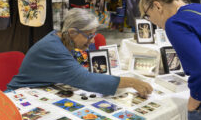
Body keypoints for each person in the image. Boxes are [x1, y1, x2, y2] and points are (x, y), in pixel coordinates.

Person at [8, 8, 153, 97]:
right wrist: (132, 82)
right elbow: (85, 79)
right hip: (19, 95)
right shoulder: (53, 48)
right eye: (89, 35)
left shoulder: (61, 39)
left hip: (39, 91)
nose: (92, 41)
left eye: (93, 35)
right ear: (72, 32)